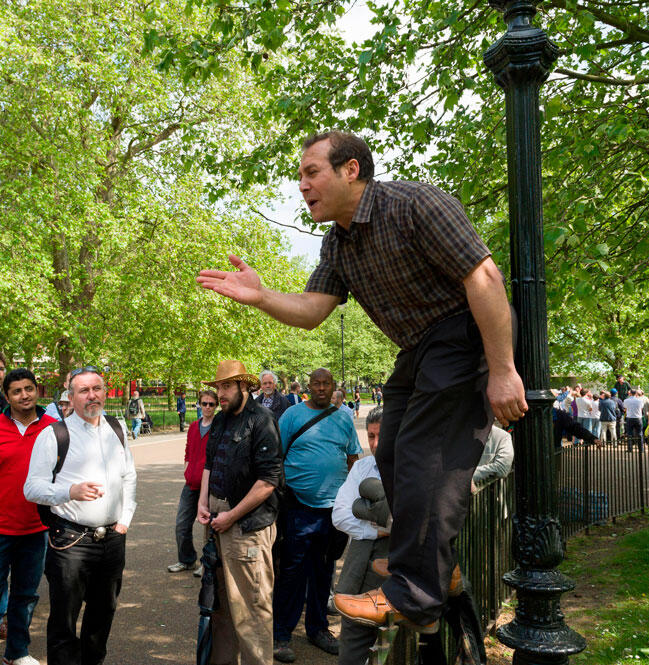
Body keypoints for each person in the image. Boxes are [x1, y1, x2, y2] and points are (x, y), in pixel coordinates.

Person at [197, 130, 527, 632]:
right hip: (418, 349)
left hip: (466, 332)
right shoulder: (338, 242)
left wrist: (502, 369)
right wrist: (261, 296)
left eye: (312, 173)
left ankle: (416, 597)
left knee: (424, 456)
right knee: (390, 452)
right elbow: (312, 312)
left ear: (351, 170)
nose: (302, 185)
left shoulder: (414, 204)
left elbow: (484, 278)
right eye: (300, 176)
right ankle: (440, 569)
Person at [24, 368, 136, 665]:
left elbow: (129, 476)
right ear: (70, 397)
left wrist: (125, 519)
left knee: (103, 614)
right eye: (83, 391)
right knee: (64, 618)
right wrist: (69, 491)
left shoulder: (117, 427)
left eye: (96, 388)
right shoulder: (54, 435)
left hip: (112, 539)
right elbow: (31, 488)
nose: (91, 396)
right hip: (71, 541)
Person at [0, 369, 57, 665]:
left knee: (26, 597)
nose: (24, 395)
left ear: (38, 391)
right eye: (16, 391)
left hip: (36, 530)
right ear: (6, 396)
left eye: (29, 389)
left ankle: (17, 652)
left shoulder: (55, 429)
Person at [196, 360, 282, 665]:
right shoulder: (220, 420)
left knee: (251, 609)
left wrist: (231, 517)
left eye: (227, 386)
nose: (220, 392)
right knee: (219, 606)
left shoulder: (262, 420)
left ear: (245, 386)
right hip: (216, 519)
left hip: (246, 524)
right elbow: (209, 464)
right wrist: (202, 502)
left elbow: (268, 481)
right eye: (218, 387)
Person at [273, 368, 361, 661]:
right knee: (292, 572)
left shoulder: (343, 420)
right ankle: (281, 634)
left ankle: (317, 629)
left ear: (334, 387)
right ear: (308, 387)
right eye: (317, 384)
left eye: (327, 384)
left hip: (332, 511)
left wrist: (348, 499)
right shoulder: (292, 416)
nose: (322, 388)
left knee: (324, 571)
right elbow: (277, 457)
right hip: (298, 507)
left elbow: (352, 459)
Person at [331, 406, 388, 665]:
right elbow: (340, 515)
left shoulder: (414, 468)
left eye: (381, 436)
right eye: (371, 436)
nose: (375, 443)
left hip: (401, 572)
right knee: (353, 641)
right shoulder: (362, 468)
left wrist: (371, 513)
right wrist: (378, 530)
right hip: (360, 568)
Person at [167, 389, 217, 574]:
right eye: (204, 403)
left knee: (210, 528)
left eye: (211, 404)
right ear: (199, 404)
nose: (207, 407)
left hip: (211, 486)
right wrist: (187, 468)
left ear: (216, 406)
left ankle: (207, 563)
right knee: (182, 524)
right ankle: (187, 560)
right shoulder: (194, 426)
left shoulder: (219, 427)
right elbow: (188, 450)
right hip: (191, 483)